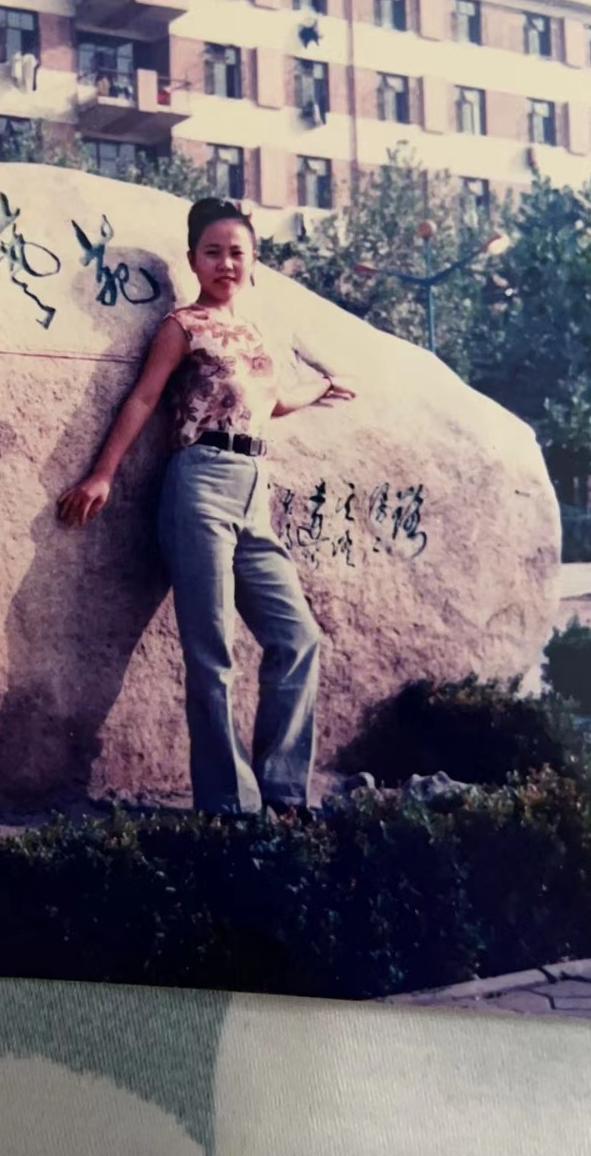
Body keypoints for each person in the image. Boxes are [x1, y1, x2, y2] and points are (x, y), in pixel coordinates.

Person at [56, 196, 355, 817]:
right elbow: (143, 400)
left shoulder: (255, 334)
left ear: (254, 261)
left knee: (298, 638)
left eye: (237, 253)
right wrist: (103, 473)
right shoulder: (182, 326)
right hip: (199, 483)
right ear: (193, 259)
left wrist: (323, 386)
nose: (226, 263)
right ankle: (229, 806)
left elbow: (271, 402)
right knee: (212, 651)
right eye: (213, 252)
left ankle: (282, 791)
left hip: (254, 489)